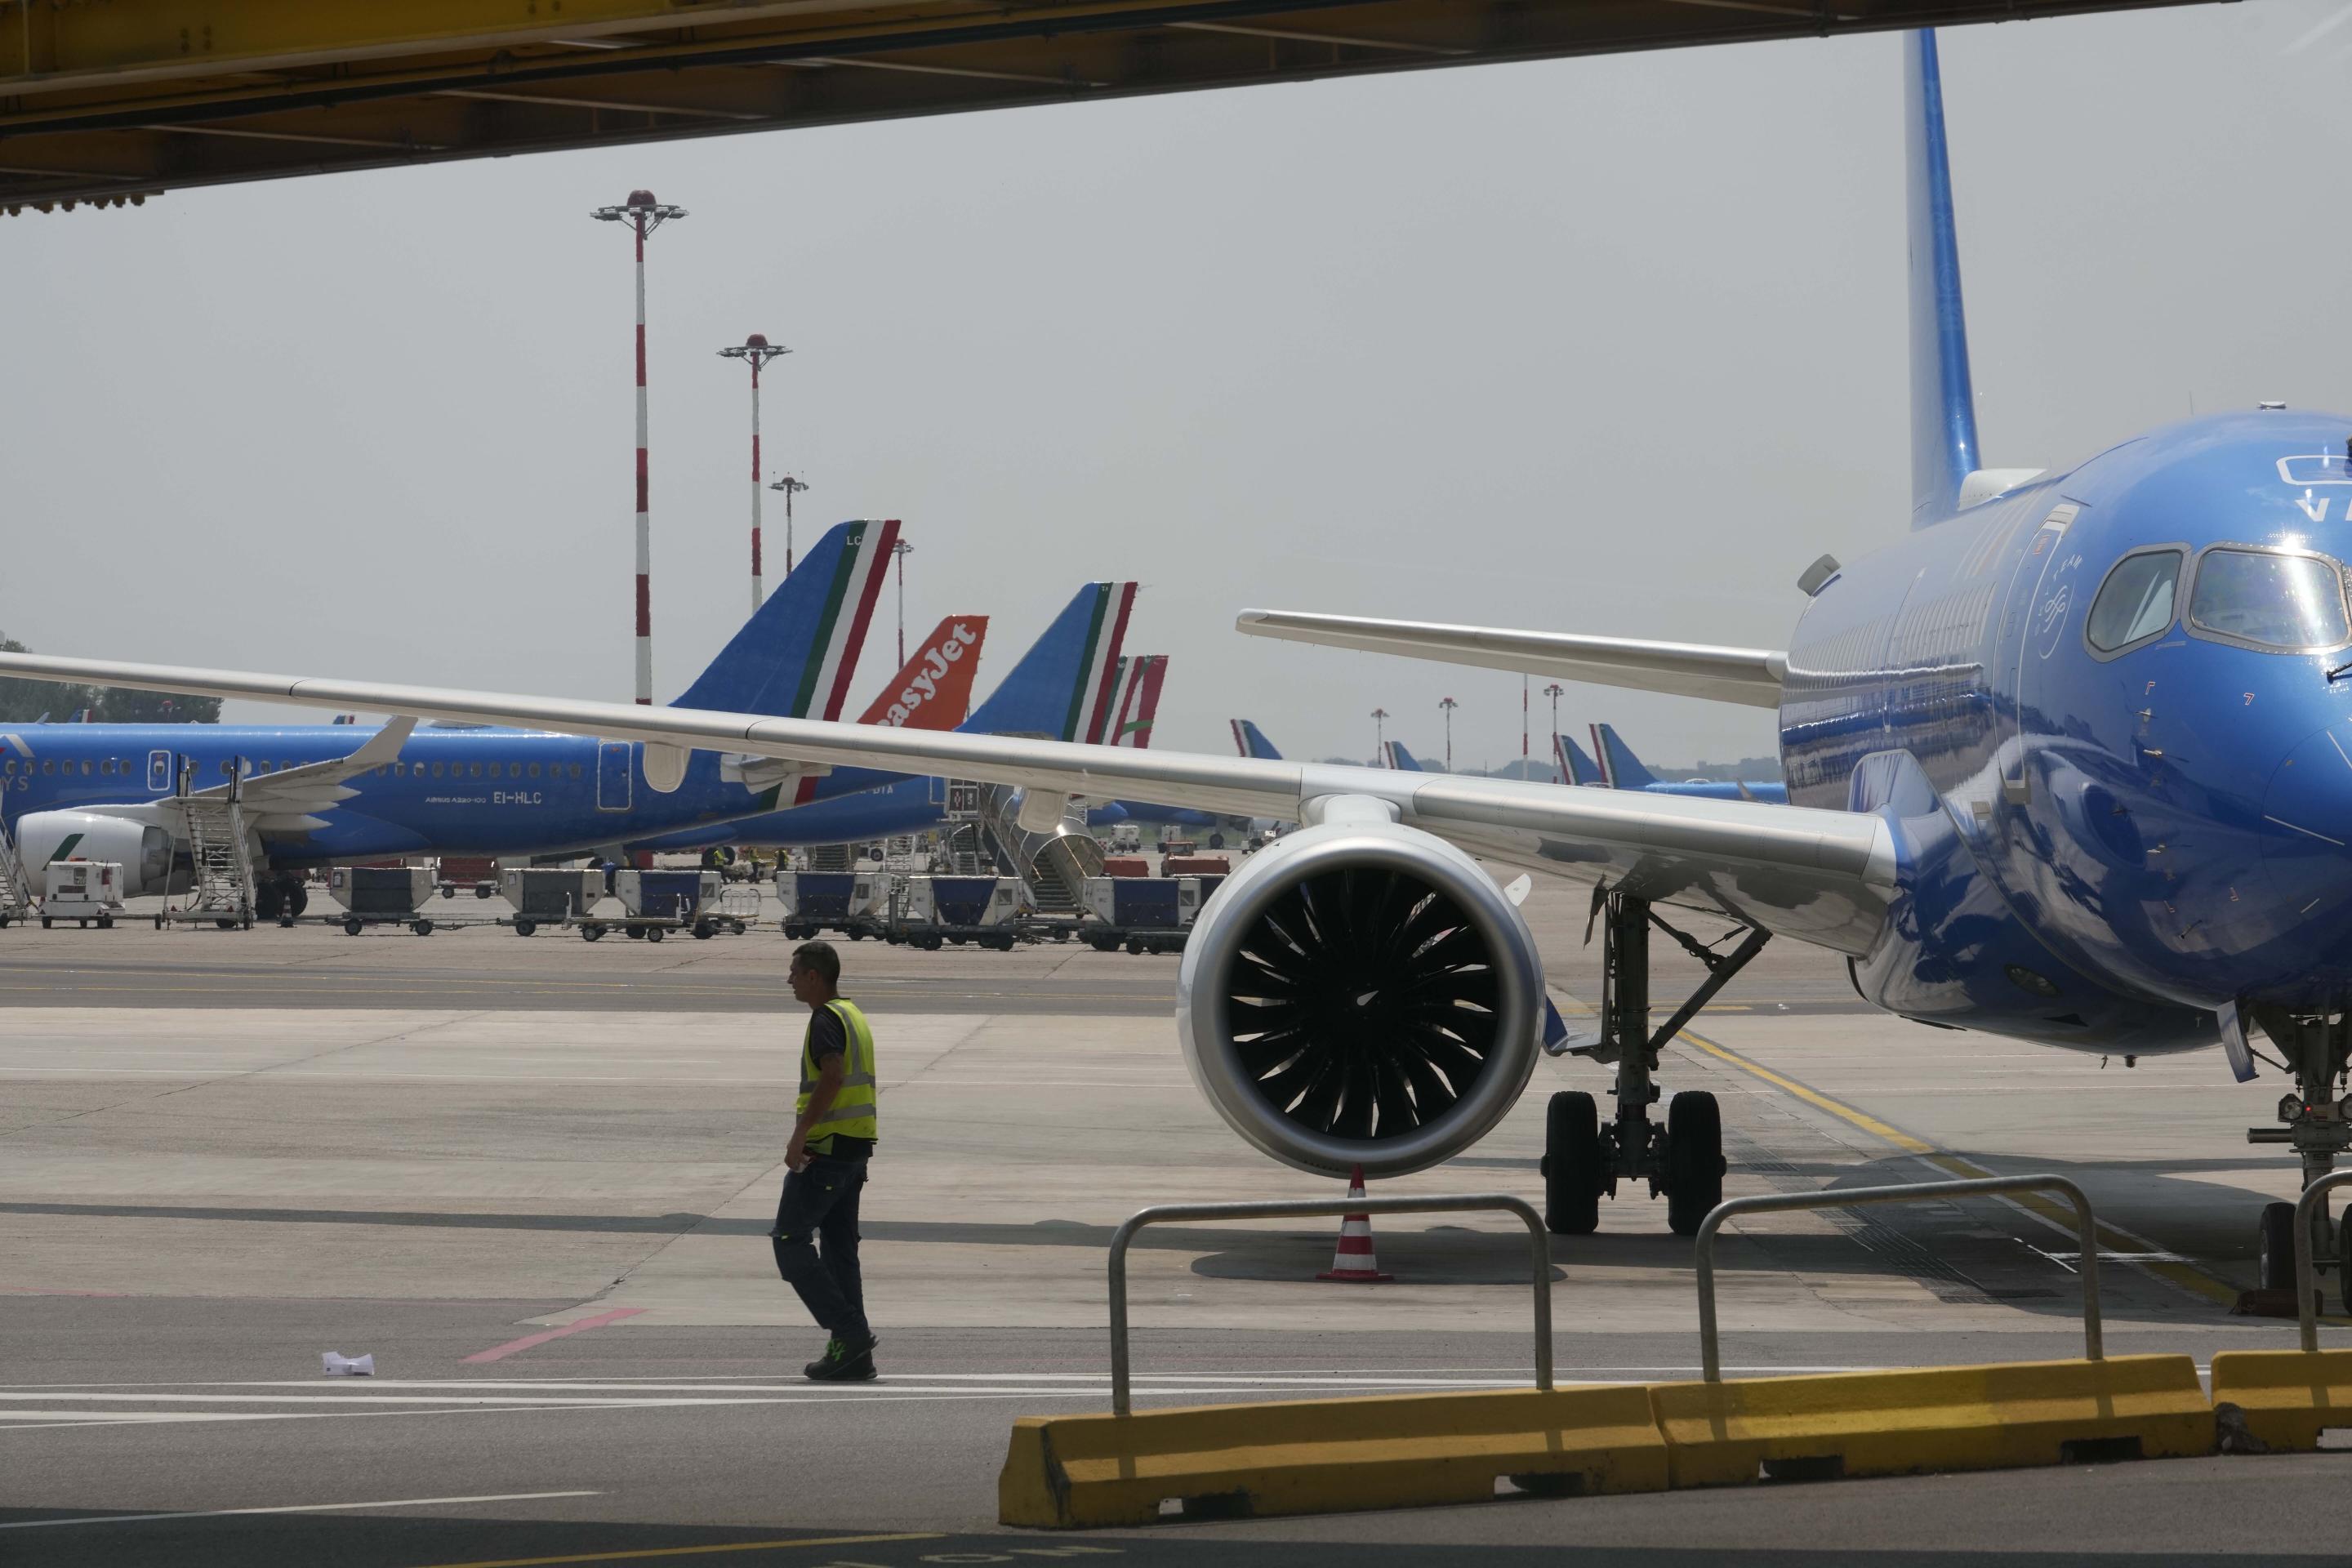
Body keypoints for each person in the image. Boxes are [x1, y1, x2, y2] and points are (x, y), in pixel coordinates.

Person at [772, 939, 880, 1382]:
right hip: (855, 1148)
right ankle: (854, 1357)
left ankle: (851, 1333)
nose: (790, 979)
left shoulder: (825, 1020)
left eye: (795, 972)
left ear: (814, 976)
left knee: (789, 1241)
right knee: (839, 1253)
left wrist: (799, 1136)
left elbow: (832, 1077)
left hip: (828, 1148)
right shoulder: (853, 1014)